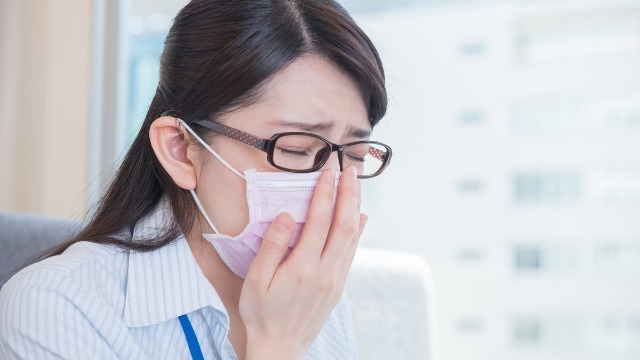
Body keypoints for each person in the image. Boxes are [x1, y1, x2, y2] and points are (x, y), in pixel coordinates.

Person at [0, 0, 391, 359]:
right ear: (180, 149)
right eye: (294, 149)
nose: (331, 187)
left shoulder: (315, 295)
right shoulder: (57, 306)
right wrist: (278, 346)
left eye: (354, 156)